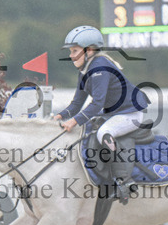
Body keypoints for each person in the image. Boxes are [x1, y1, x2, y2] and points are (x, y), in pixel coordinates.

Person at [52, 25, 149, 204]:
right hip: (115, 114)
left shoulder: (100, 67)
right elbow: (76, 104)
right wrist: (58, 117)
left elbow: (97, 104)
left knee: (103, 133)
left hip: (131, 113)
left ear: (89, 50)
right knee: (89, 130)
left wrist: (73, 122)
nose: (71, 55)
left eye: (74, 51)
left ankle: (124, 181)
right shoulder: (85, 70)